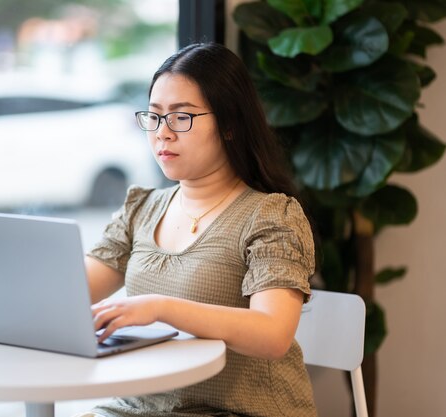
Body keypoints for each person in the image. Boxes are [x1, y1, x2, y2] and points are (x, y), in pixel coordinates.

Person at [84, 42, 317, 417]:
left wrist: (159, 308)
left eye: (182, 117)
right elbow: (71, 292)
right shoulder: (141, 208)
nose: (163, 133)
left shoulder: (271, 216)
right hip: (135, 409)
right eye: (155, 116)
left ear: (229, 125)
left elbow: (273, 334)